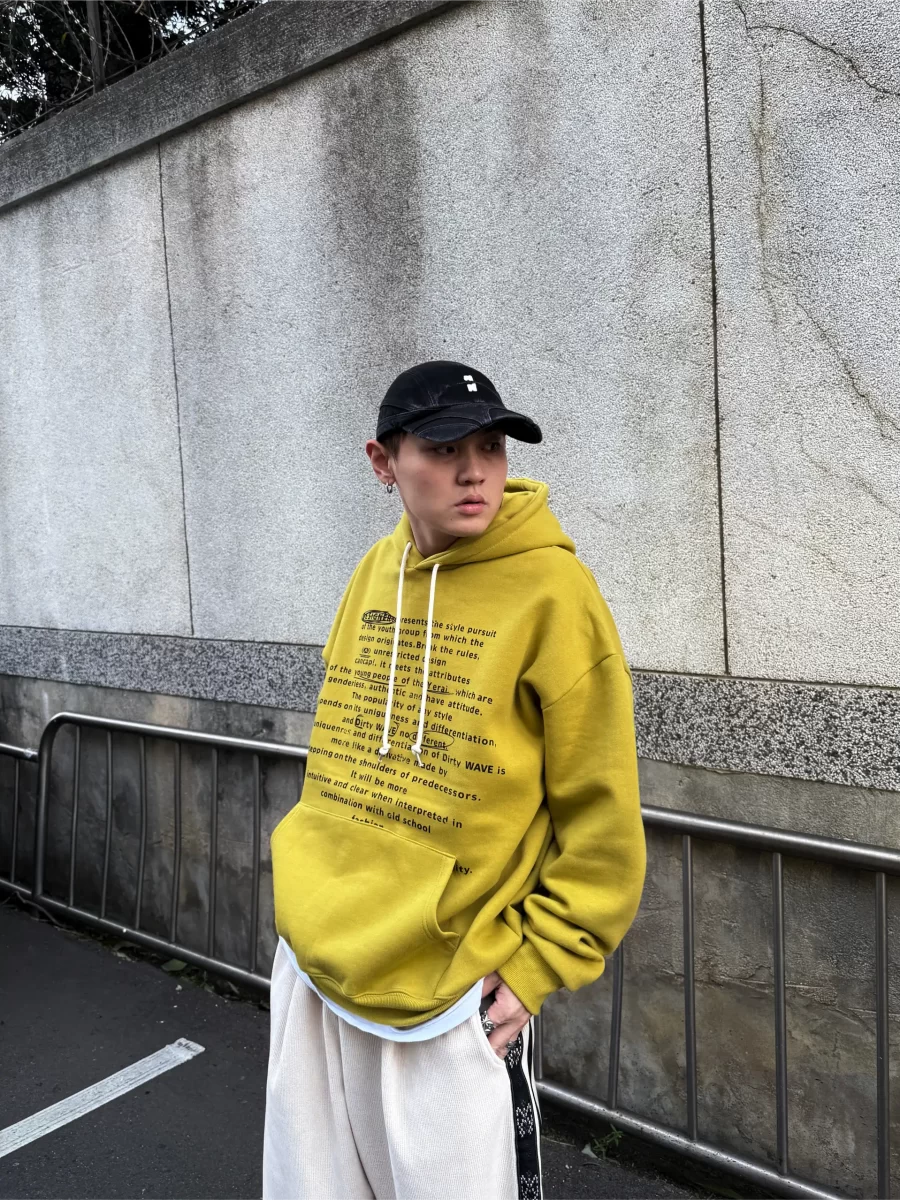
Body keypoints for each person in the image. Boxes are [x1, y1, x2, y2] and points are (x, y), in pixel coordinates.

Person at [263, 361, 646, 1200]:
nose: (475, 472)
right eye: (443, 449)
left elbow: (603, 814)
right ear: (383, 461)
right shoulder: (375, 571)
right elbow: (338, 748)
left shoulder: (555, 592)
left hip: (450, 994)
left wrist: (542, 962)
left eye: (491, 448)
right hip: (317, 964)